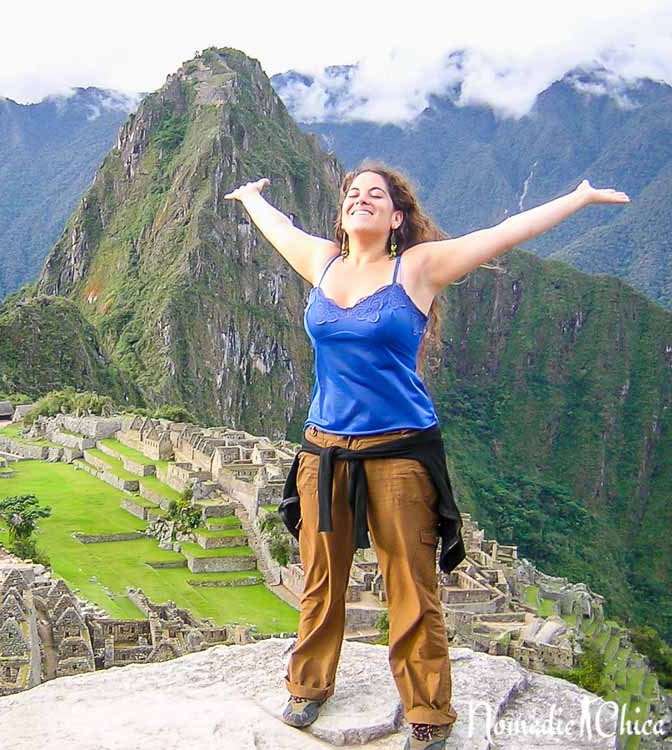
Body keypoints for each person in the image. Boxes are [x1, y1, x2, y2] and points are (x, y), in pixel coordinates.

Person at [224, 162, 629, 749]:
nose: (361, 199)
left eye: (376, 195)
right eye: (352, 194)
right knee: (320, 577)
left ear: (395, 218)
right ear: (342, 214)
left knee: (411, 583)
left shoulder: (416, 268)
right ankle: (308, 685)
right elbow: (277, 226)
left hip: (399, 454)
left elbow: (503, 233)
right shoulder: (322, 263)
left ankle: (428, 710)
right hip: (324, 450)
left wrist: (578, 199)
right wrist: (249, 197)